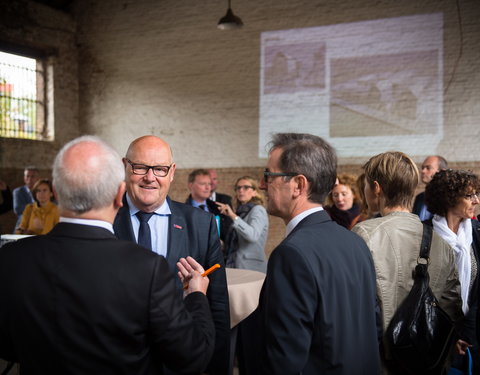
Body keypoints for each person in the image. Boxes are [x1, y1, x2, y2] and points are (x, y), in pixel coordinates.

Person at [0, 135, 215, 374]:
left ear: (56, 193)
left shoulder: (11, 258)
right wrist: (196, 296)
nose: (150, 176)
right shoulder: (148, 267)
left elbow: (7, 347)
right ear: (118, 194)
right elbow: (193, 356)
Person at [251, 133, 381, 374]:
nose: (261, 184)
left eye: (269, 175)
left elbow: (284, 358)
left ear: (299, 185)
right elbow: (371, 326)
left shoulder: (291, 254)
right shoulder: (355, 242)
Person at [113, 135, 230, 375]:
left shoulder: (200, 224)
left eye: (159, 169)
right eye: (140, 167)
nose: (150, 177)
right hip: (116, 361)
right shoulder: (104, 220)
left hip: (180, 364)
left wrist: (216, 366)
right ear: (125, 166)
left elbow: (217, 304)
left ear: (172, 172)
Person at [352, 151, 463, 374]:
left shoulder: (364, 234)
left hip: (379, 362)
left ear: (376, 188)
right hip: (428, 362)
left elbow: (353, 306)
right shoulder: (441, 243)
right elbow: (451, 308)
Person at [424, 169, 480, 373]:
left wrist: (465, 334)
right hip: (434, 336)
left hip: (472, 336)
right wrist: (449, 336)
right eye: (469, 195)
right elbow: (424, 291)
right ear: (448, 198)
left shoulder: (477, 233)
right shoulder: (425, 234)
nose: (476, 200)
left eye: (476, 194)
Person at [216, 176, 268, 273]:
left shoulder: (258, 210)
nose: (241, 190)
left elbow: (253, 236)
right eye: (238, 188)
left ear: (255, 192)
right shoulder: (240, 213)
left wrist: (232, 216)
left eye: (246, 187)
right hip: (234, 266)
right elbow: (236, 243)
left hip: (251, 268)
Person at [185, 169, 232, 244]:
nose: (207, 188)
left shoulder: (218, 208)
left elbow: (229, 235)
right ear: (191, 185)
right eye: (203, 184)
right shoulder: (182, 212)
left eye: (209, 184)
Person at [412, 155, 448, 220]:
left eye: (428, 168)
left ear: (441, 172)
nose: (423, 171)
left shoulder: (447, 197)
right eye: (422, 168)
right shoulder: (419, 198)